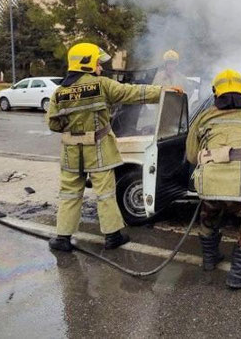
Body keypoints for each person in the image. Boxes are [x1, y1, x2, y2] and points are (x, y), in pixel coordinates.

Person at [46, 42, 177, 252]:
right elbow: (132, 93)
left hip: (71, 152)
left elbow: (53, 123)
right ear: (87, 63)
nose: (100, 66)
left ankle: (62, 238)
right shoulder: (101, 85)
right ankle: (112, 236)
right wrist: (164, 91)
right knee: (105, 193)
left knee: (70, 194)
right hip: (98, 149)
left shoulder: (60, 92)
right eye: (97, 62)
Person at [186, 68, 241, 289]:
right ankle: (240, 272)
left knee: (209, 212)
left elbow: (191, 155)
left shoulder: (205, 117)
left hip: (210, 182)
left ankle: (210, 259)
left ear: (216, 93)